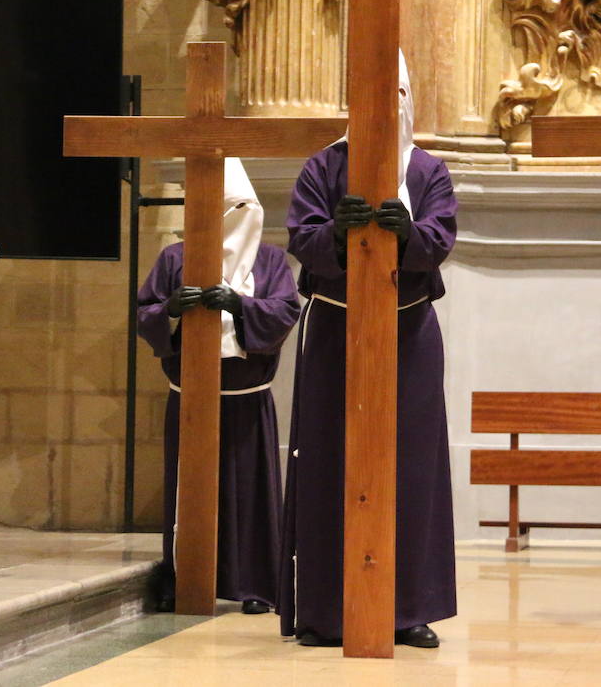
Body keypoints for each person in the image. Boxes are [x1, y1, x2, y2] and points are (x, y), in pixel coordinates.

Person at [278, 52, 459, 649]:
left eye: (396, 96)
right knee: (328, 461)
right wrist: (335, 231)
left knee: (413, 467)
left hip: (409, 332)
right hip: (337, 327)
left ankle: (409, 610)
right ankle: (326, 612)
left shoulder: (428, 170)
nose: (385, 109)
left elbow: (441, 235)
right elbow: (300, 234)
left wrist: (410, 233)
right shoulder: (323, 166)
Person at [137, 158, 300, 614]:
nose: (230, 220)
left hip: (247, 401)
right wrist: (171, 309)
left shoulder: (270, 259)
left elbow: (285, 311)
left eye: (239, 209)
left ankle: (256, 586)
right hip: (190, 398)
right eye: (222, 210)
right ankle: (186, 581)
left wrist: (241, 305)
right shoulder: (175, 257)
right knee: (190, 494)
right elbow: (145, 312)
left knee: (251, 494)